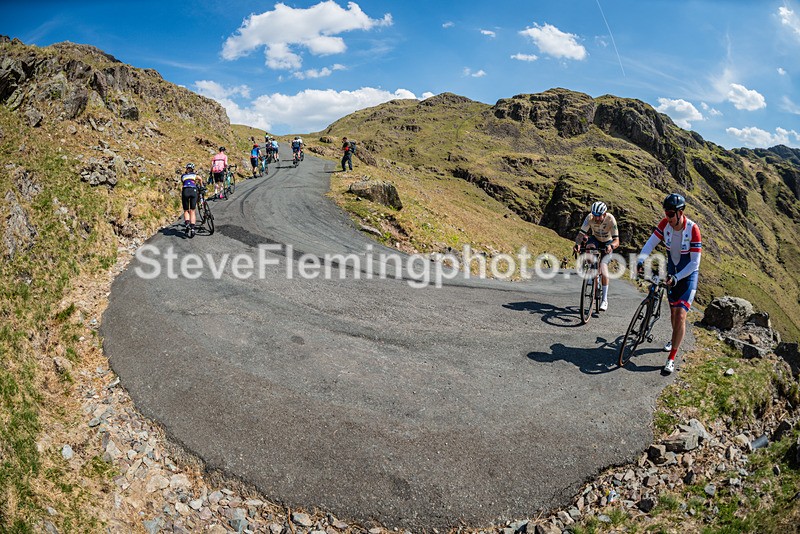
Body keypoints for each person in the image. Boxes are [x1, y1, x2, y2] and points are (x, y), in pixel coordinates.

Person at [636, 193, 702, 374]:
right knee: (673, 315)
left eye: (671, 214)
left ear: (681, 213)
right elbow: (650, 243)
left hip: (687, 275)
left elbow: (694, 263)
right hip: (672, 272)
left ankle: (671, 357)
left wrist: (677, 278)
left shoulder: (692, 229)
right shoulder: (665, 225)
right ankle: (674, 339)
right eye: (666, 213)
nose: (668, 217)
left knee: (681, 315)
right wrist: (641, 260)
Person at [572, 201, 620, 311]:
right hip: (596, 239)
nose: (596, 218)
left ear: (604, 213)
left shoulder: (610, 219)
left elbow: (617, 240)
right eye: (595, 215)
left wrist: (611, 246)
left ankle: (604, 300)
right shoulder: (590, 217)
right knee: (589, 247)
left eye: (599, 216)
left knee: (603, 268)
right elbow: (580, 234)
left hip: (608, 242)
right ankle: (591, 272)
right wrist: (578, 244)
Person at [180, 163, 202, 238]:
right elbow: (200, 178)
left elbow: (183, 183)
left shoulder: (183, 176)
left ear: (186, 169)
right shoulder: (194, 175)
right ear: (193, 169)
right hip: (193, 190)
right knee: (192, 210)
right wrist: (201, 185)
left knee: (186, 211)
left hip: (185, 191)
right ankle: (192, 229)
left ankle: (187, 225)